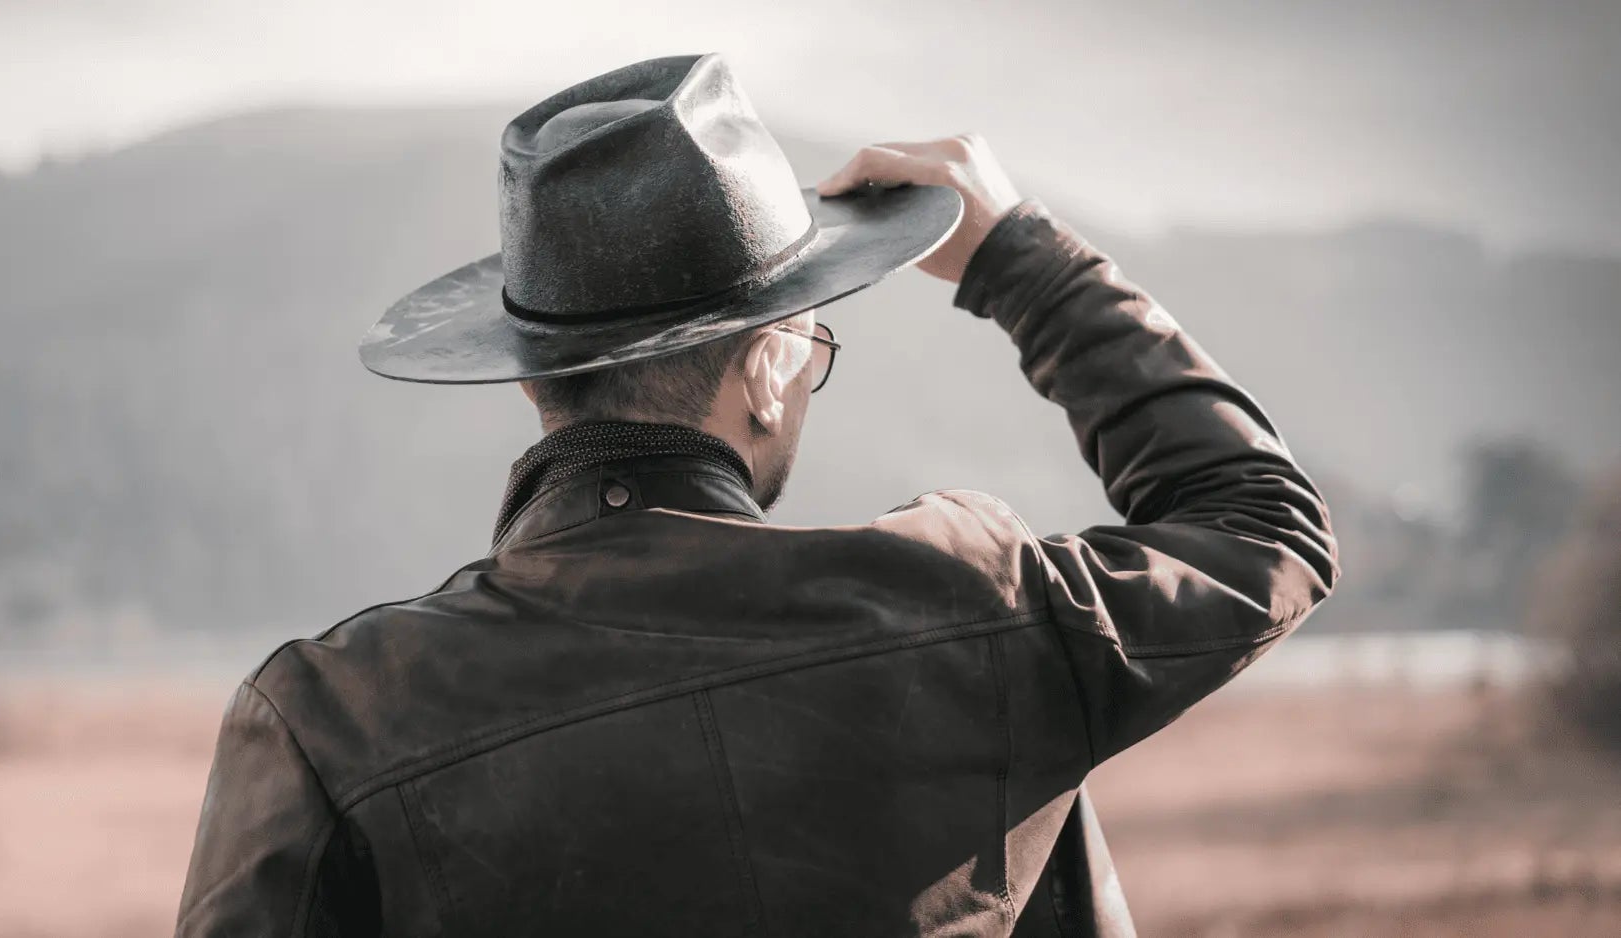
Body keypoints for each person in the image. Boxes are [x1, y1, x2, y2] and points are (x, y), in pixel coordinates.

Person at [177, 53, 1338, 937]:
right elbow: (1258, 522)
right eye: (811, 341)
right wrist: (1017, 258)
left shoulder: (330, 719)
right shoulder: (974, 604)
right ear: (772, 365)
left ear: (532, 374)